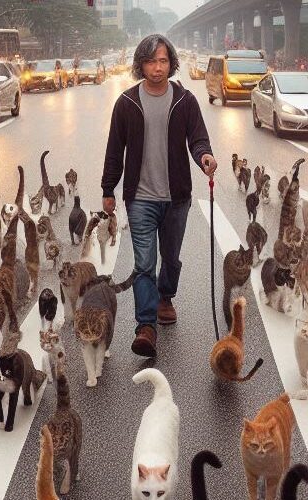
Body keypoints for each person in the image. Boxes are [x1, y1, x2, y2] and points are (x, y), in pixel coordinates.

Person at [101, 34, 217, 358]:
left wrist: (205, 157)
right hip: (139, 198)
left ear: (171, 64)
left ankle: (166, 296)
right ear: (141, 64)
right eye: (151, 61)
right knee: (143, 262)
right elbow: (114, 151)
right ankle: (146, 326)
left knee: (171, 257)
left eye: (163, 61)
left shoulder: (185, 101)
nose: (157, 67)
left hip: (177, 197)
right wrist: (108, 189)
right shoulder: (126, 103)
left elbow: (198, 139)